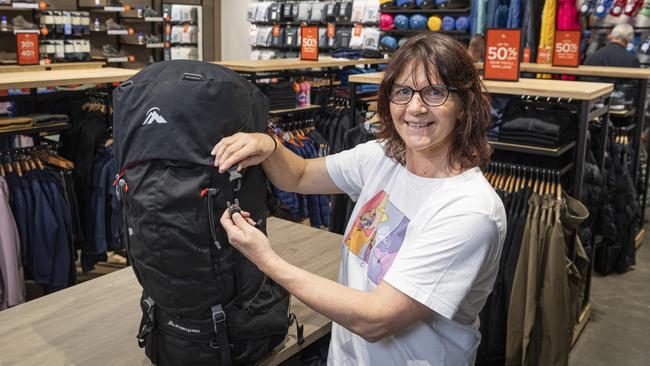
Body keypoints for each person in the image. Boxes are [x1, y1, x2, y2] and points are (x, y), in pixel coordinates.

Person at [212, 33, 507, 365]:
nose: (415, 107)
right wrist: (268, 144)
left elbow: (376, 318)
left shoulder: (469, 211)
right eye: (403, 91)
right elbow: (299, 176)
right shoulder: (383, 157)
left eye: (435, 92)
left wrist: (266, 259)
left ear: (464, 104)